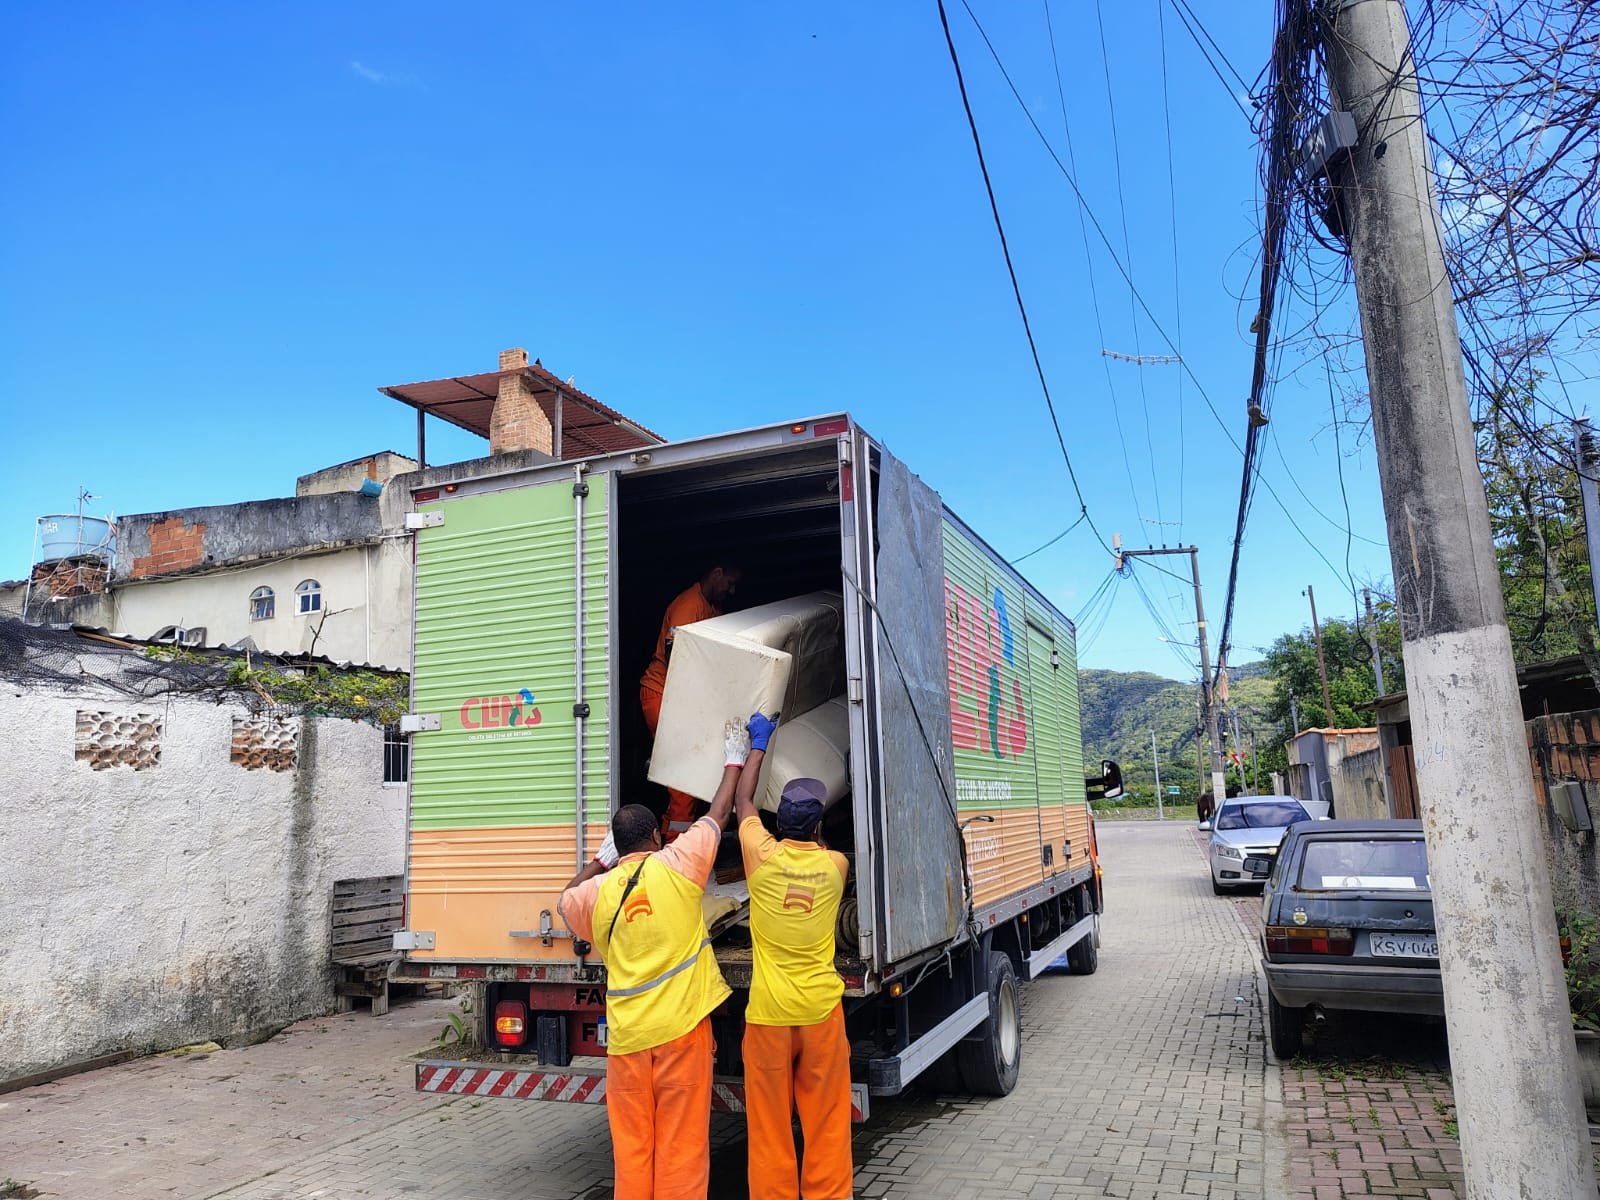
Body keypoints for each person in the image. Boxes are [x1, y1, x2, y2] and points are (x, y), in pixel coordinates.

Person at [558, 720, 749, 1200]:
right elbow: (720, 813)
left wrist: (599, 862)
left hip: (626, 1045)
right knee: (680, 1151)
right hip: (681, 1038)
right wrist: (734, 757)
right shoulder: (680, 865)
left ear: (617, 847)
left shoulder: (597, 896)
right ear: (657, 838)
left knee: (633, 1153)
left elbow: (564, 899)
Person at [734, 711, 854, 1200]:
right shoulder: (835, 867)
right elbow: (823, 848)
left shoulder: (759, 855)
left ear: (776, 822)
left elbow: (742, 801)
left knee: (769, 1128)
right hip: (821, 1014)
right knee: (826, 1120)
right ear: (821, 826)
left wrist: (757, 742)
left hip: (768, 1017)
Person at [639, 562, 743, 840]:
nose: (732, 591)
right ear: (717, 572)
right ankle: (676, 848)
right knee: (683, 777)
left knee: (690, 773)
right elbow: (679, 659)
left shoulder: (712, 608)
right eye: (730, 583)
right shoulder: (688, 607)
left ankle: (674, 840)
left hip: (683, 699)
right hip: (663, 695)